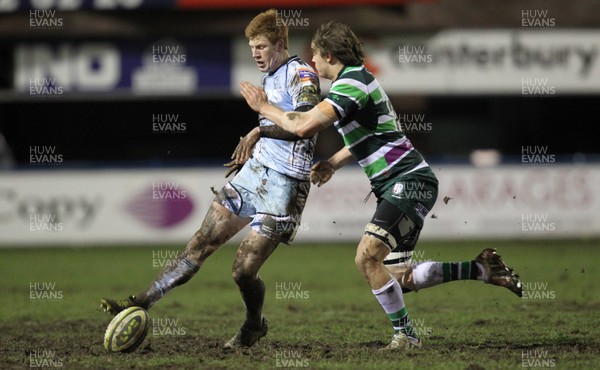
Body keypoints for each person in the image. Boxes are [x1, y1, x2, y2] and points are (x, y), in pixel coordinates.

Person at [240, 21, 521, 350]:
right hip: (402, 182)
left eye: (315, 55)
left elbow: (302, 126)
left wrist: (263, 110)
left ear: (329, 55)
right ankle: (481, 268)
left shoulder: (351, 83)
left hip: (408, 180)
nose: (312, 62)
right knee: (398, 276)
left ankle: (406, 336)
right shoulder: (356, 82)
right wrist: (333, 162)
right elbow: (369, 137)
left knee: (366, 258)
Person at [100, 9, 321, 349]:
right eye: (251, 48)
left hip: (286, 186)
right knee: (201, 243)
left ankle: (253, 325)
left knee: (242, 271)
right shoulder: (269, 77)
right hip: (255, 174)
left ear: (280, 43)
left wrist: (259, 128)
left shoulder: (302, 75)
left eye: (261, 46)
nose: (255, 54)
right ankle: (138, 302)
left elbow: (306, 124)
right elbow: (276, 123)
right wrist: (256, 142)